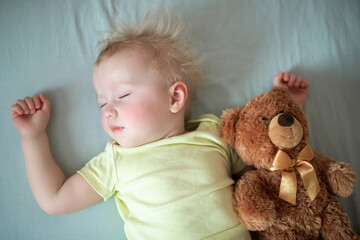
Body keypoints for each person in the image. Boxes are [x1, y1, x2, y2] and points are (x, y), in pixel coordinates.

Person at [10, 12, 309, 240]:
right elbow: (55, 198)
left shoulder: (212, 134)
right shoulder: (116, 161)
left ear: (175, 97)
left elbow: (267, 156)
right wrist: (33, 136)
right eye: (102, 103)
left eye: (122, 95)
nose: (108, 111)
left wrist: (287, 105)